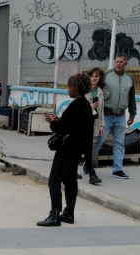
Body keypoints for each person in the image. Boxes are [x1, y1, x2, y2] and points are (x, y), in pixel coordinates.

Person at [37, 73, 94, 227]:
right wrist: (59, 120)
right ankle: (69, 213)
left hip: (67, 148)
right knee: (70, 180)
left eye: (70, 87)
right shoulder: (86, 104)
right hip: (77, 149)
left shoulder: (76, 105)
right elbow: (77, 127)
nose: (68, 90)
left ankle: (55, 214)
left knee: (54, 180)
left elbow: (64, 128)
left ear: (76, 88)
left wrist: (52, 123)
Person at [96, 54, 137, 180]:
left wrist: (132, 114)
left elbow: (131, 97)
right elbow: (96, 91)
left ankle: (117, 169)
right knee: (98, 141)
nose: (118, 64)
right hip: (106, 115)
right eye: (116, 61)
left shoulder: (129, 78)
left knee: (119, 143)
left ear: (126, 63)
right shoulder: (106, 75)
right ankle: (88, 163)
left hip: (120, 116)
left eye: (121, 62)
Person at [82, 67, 104, 185]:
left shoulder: (100, 91)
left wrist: (101, 125)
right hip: (82, 124)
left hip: (93, 123)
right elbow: (75, 107)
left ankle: (91, 173)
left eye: (96, 76)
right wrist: (88, 107)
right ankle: (88, 171)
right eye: (92, 76)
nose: (94, 78)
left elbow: (101, 110)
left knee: (88, 148)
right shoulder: (83, 90)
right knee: (78, 148)